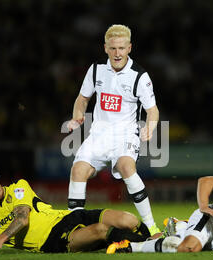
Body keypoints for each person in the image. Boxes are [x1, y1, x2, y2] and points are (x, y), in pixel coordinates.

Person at [0, 163, 150, 256]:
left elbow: (22, 218)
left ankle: (152, 239)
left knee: (127, 218)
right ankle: (151, 246)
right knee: (101, 231)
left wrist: (0, 239)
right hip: (52, 240)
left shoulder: (18, 188)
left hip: (68, 216)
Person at [66, 24, 160, 235]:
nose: (117, 53)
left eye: (122, 48)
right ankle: (74, 228)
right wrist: (77, 115)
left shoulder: (139, 76)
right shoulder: (96, 69)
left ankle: (151, 226)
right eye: (113, 48)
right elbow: (82, 98)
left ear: (129, 48)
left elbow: (152, 110)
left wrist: (150, 128)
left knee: (127, 167)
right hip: (98, 134)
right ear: (105, 48)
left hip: (125, 134)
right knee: (78, 170)